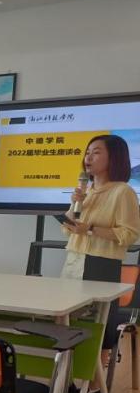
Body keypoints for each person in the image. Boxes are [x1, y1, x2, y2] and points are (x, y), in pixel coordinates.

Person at [60, 134, 140, 352]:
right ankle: (67, 369)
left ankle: (96, 373)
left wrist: (91, 229)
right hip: (74, 259)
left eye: (96, 152)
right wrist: (75, 205)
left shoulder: (123, 192)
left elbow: (129, 234)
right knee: (66, 323)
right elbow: (68, 229)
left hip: (101, 264)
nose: (88, 157)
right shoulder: (86, 191)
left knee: (95, 329)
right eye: (87, 152)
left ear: (114, 157)